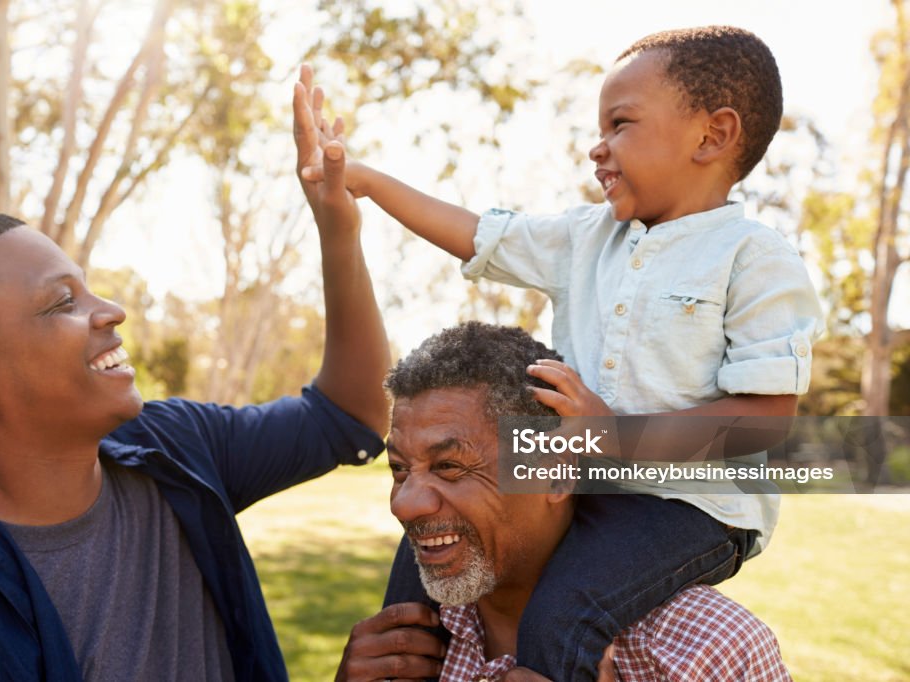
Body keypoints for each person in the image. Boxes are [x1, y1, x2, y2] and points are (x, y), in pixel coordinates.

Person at [300, 26, 823, 679]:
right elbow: (478, 237)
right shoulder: (586, 238)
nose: (596, 148)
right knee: (419, 563)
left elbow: (763, 421)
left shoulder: (754, 258)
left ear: (712, 136)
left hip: (689, 509)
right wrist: (368, 183)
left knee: (564, 612)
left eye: (620, 124)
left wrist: (612, 436)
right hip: (585, 481)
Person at [0, 68, 385, 681]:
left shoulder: (177, 446)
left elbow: (351, 413)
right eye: (61, 302)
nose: (111, 310)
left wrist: (338, 228)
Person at [337, 322, 793, 682]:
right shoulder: (398, 645)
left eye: (450, 467)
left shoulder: (708, 651)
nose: (406, 505)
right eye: (399, 469)